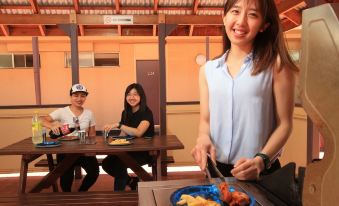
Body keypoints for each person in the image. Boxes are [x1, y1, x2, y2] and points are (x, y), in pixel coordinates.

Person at [191, 0, 298, 181]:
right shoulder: (207, 70)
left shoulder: (277, 65)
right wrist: (202, 139)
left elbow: (285, 124)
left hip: (261, 173)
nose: (241, 21)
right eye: (235, 11)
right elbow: (205, 120)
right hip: (217, 172)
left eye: (252, 14)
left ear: (264, 25)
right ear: (224, 18)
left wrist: (261, 161)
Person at [42, 83, 99, 192]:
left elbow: (92, 135)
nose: (79, 98)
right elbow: (41, 120)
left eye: (83, 96)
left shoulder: (89, 113)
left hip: (83, 150)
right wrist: (52, 125)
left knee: (94, 172)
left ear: (85, 97)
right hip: (65, 151)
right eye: (76, 95)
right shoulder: (61, 111)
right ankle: (67, 197)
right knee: (66, 179)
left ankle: (82, 192)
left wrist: (92, 148)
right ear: (70, 97)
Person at [102, 83, 154, 191]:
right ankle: (130, 181)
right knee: (106, 163)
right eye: (129, 94)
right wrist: (115, 143)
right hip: (129, 149)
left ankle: (118, 196)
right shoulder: (125, 112)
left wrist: (118, 125)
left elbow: (139, 132)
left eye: (135, 94)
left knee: (120, 162)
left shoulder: (146, 112)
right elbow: (124, 133)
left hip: (144, 152)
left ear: (141, 96)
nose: (132, 97)